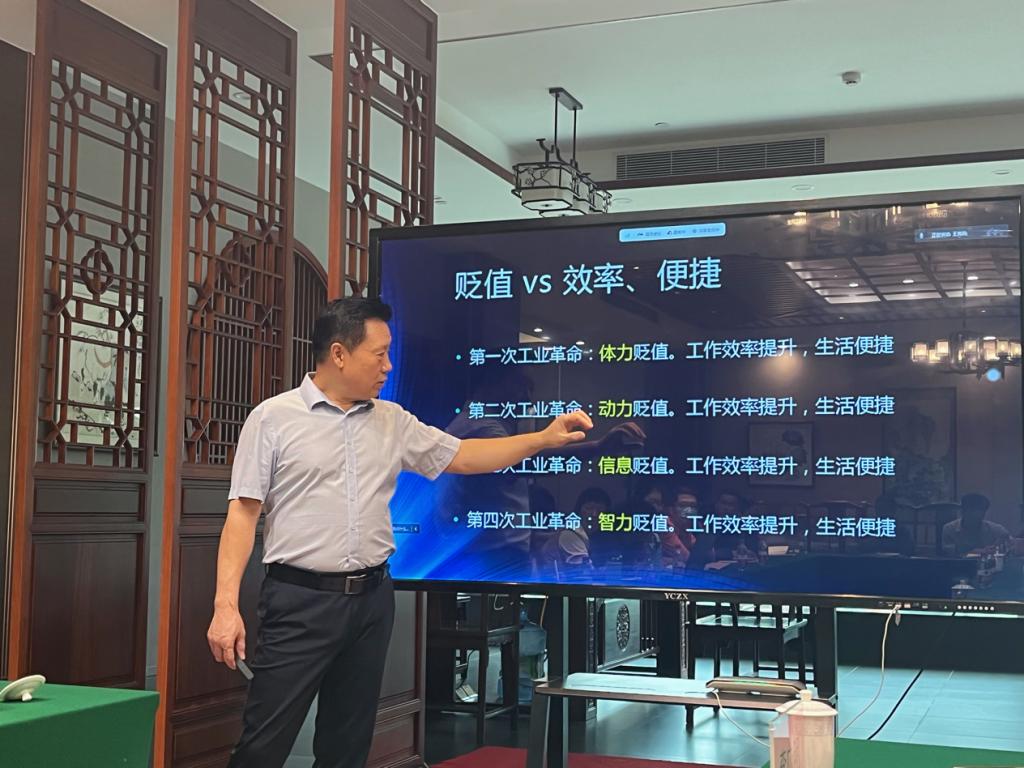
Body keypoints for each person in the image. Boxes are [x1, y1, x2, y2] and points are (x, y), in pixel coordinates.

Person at [206, 297, 594, 768]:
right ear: (339, 354)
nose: (388, 366)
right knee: (264, 742)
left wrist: (543, 439)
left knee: (347, 745)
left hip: (372, 600)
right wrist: (225, 606)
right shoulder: (273, 418)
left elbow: (464, 456)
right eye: (379, 354)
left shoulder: (392, 420)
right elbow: (243, 514)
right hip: (300, 601)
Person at [942, 493, 1011, 556]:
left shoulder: (995, 529)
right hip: (959, 564)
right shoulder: (950, 529)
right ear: (962, 511)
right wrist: (981, 551)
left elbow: (1008, 539)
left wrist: (1003, 544)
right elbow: (950, 551)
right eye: (971, 515)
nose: (976, 518)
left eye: (980, 515)